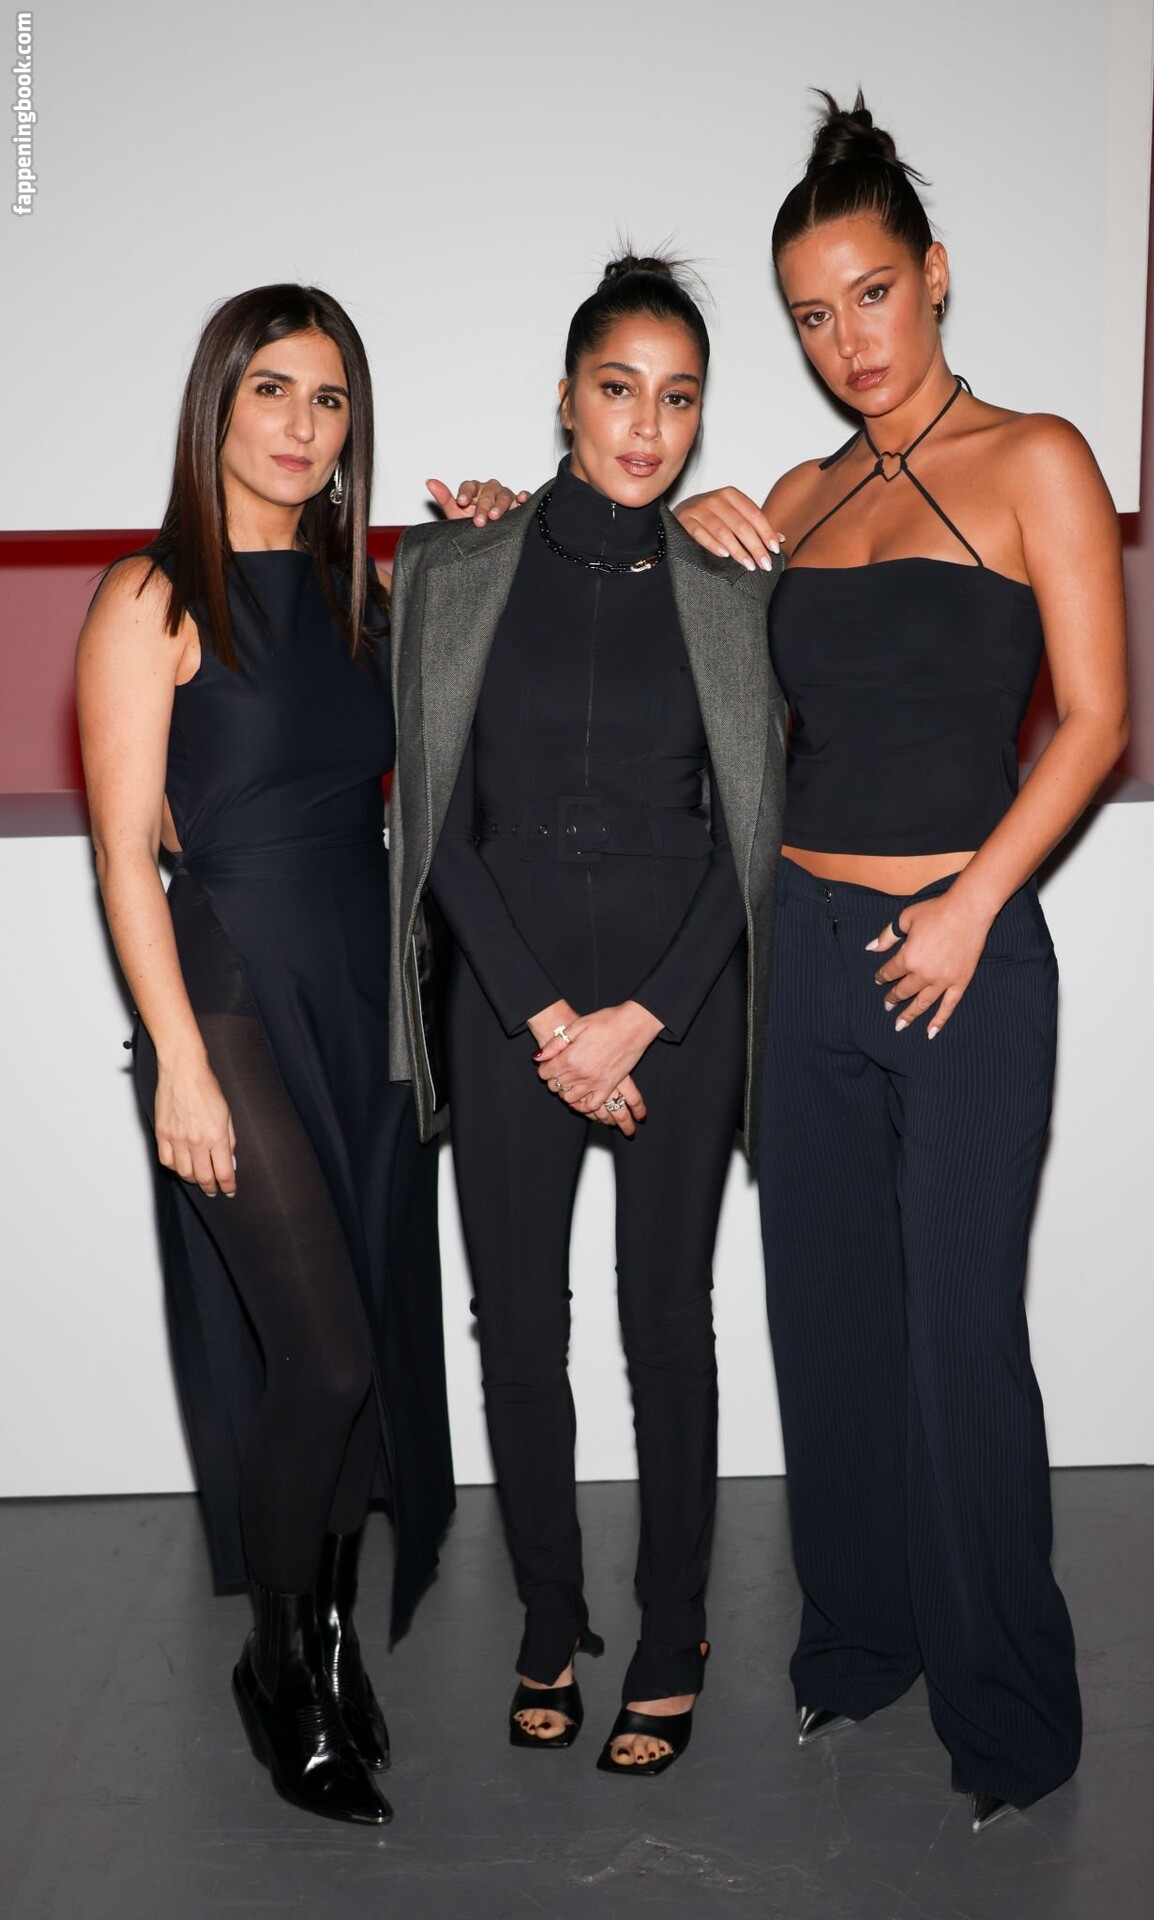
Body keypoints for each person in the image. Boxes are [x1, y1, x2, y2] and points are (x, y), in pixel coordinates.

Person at [676, 95, 1129, 1828]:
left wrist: (968, 905)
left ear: (933, 275)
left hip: (963, 955)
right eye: (810, 314)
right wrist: (681, 531)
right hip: (801, 955)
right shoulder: (796, 496)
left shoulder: (1035, 459)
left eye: (869, 294)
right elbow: (715, 695)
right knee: (828, 1329)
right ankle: (857, 1646)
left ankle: (1008, 1715)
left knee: (958, 1346)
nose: (845, 340)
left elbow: (1093, 720)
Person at [75, 282, 522, 1825]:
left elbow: (472, 728)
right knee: (318, 1355)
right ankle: (276, 1660)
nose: (300, 423)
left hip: (368, 997)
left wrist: (486, 545)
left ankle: (331, 1640)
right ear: (218, 403)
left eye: (328, 399)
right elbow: (126, 858)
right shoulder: (149, 598)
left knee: (362, 1360)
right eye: (271, 388)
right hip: (234, 999)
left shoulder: (361, 594)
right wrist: (178, 1063)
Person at [388, 254, 785, 1775]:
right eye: (618, 389)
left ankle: (674, 1633)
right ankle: (549, 1618)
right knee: (515, 1327)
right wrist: (550, 1018)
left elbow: (752, 832)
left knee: (666, 1322)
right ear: (565, 398)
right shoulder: (453, 569)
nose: (647, 426)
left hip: (684, 993)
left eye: (678, 398)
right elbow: (436, 821)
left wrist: (642, 1019)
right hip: (509, 994)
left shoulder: (734, 584)